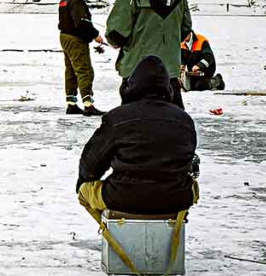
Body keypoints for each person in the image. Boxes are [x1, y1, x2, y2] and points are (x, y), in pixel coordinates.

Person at [76, 56, 199, 225]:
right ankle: (172, 228)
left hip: (121, 197)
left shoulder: (117, 118)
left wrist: (83, 182)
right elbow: (189, 162)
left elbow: (91, 163)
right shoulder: (184, 120)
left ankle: (113, 238)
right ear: (167, 87)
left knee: (84, 192)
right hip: (175, 198)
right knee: (193, 188)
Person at [105, 0, 192, 109]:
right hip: (169, 72)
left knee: (132, 119)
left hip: (136, 70)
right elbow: (186, 30)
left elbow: (115, 34)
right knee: (173, 116)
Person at [58, 0, 106, 116]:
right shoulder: (77, 1)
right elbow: (82, 23)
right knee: (84, 70)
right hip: (75, 39)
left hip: (64, 37)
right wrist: (95, 35)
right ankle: (88, 104)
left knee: (71, 71)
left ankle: (71, 104)